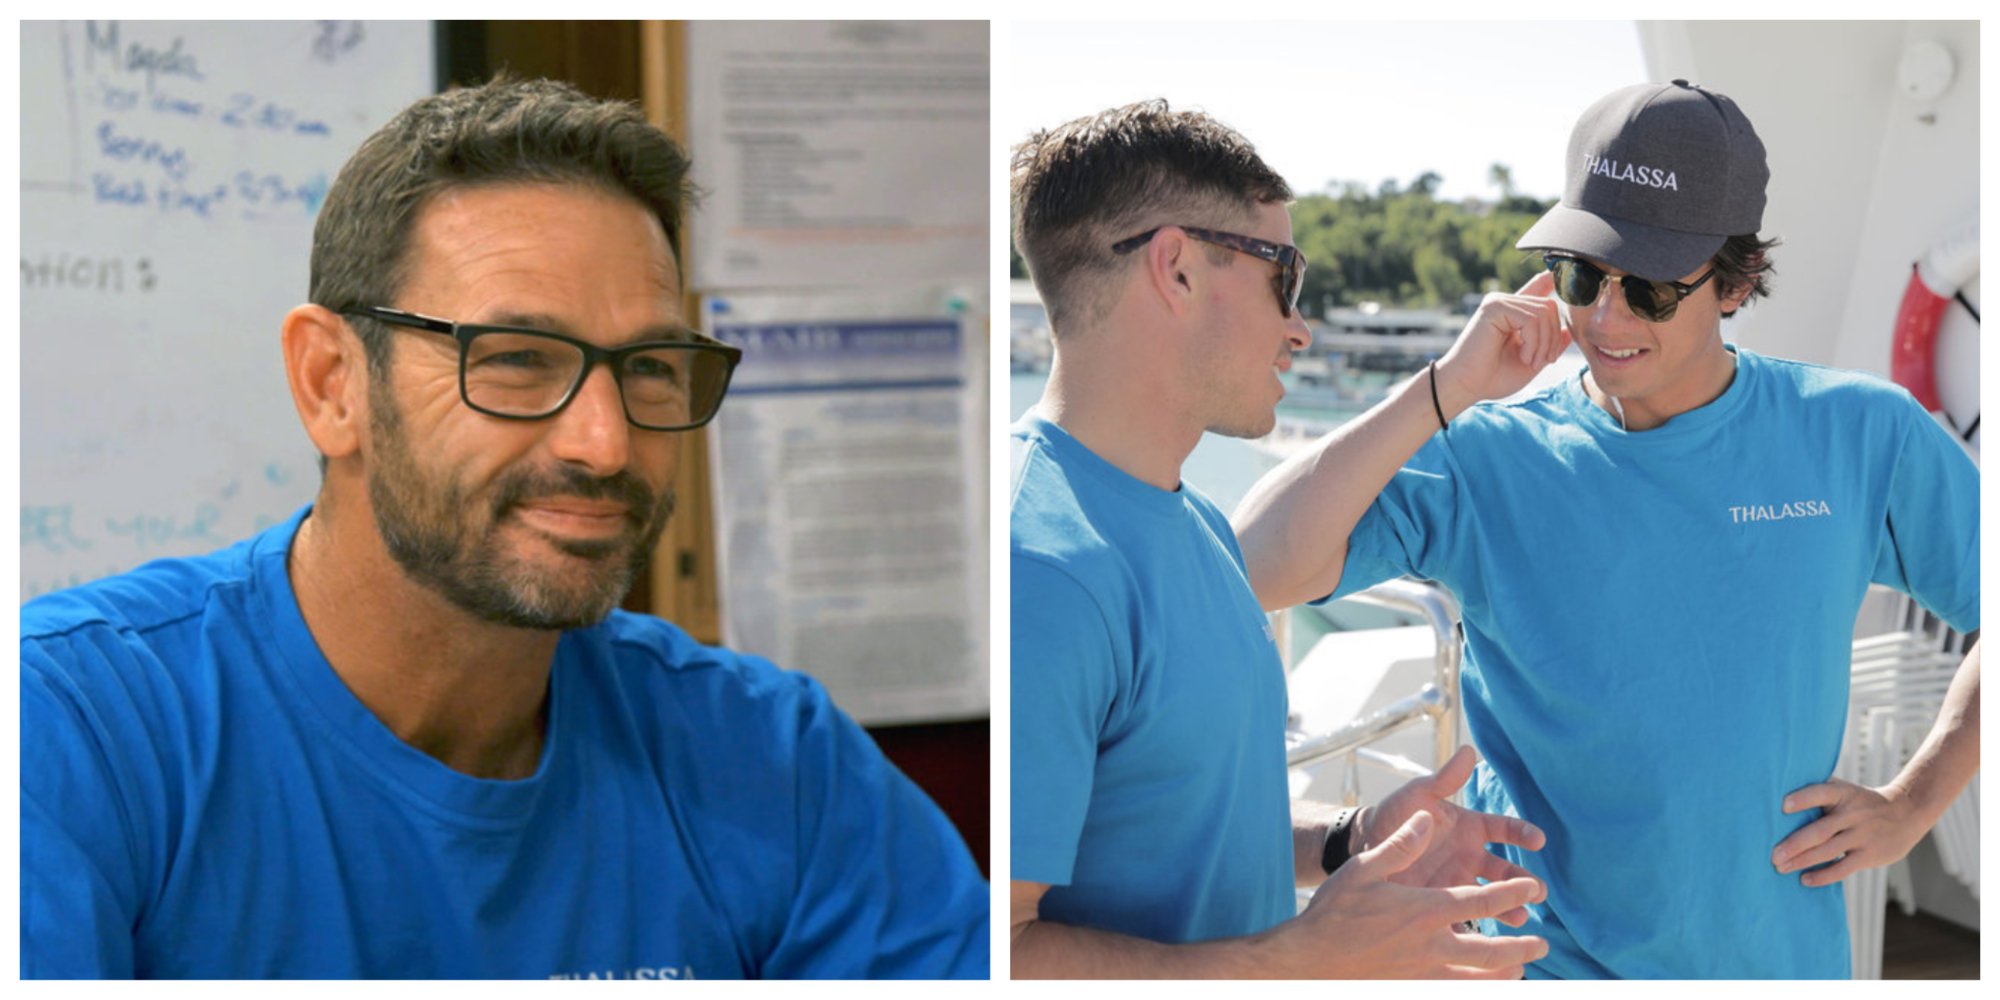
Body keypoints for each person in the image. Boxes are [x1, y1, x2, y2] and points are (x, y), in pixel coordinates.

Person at [20, 77, 988, 980]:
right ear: (332, 384)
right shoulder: (76, 729)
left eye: (650, 366)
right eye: (518, 358)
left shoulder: (771, 758)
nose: (604, 443)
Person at [1235, 80, 1981, 979]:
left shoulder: (1860, 433)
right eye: (1581, 276)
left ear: (1738, 281)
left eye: (1651, 291)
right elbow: (1250, 567)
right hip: (1530, 963)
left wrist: (1916, 798)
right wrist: (1444, 389)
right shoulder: (1486, 452)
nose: (1604, 318)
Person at [1009, 99, 1574, 979]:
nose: (1299, 327)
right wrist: (1296, 963)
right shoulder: (1037, 571)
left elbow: (1177, 834)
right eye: (1286, 275)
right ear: (1179, 269)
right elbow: (992, 949)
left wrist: (1351, 841)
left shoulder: (1189, 523)